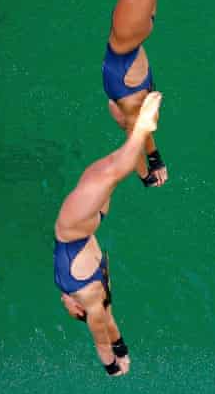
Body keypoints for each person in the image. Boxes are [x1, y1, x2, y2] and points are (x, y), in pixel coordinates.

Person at [54, 91, 163, 376]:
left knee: (112, 172)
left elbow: (111, 328)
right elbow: (101, 342)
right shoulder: (90, 305)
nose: (62, 301)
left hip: (91, 223)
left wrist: (123, 350)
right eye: (66, 306)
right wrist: (113, 367)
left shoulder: (101, 303)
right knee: (112, 172)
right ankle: (141, 129)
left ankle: (148, 171)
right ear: (77, 310)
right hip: (73, 228)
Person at [102, 0, 185, 188]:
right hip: (125, 72)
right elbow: (134, 137)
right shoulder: (136, 2)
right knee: (136, 128)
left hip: (127, 64)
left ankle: (152, 161)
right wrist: (150, 171)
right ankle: (146, 176)